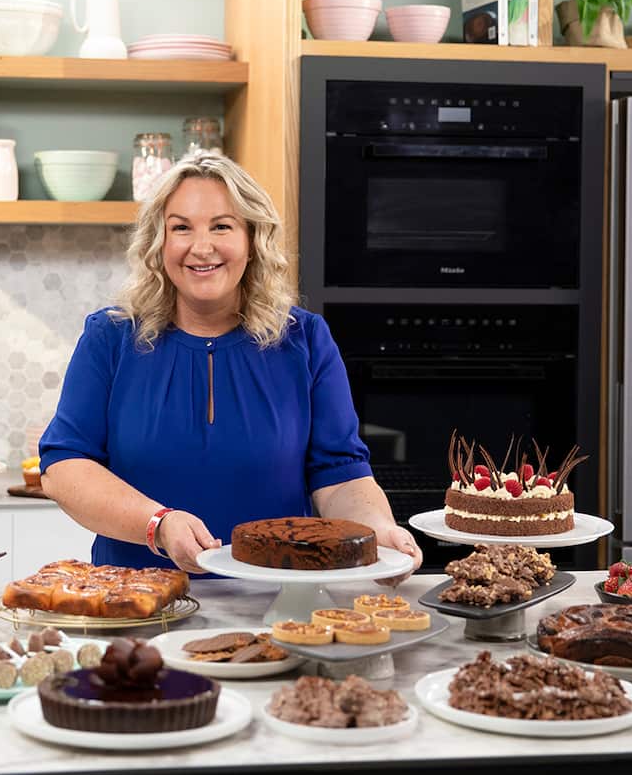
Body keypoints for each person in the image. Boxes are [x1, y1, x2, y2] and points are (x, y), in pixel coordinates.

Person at [39, 153, 422, 576]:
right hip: (137, 602)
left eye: (222, 226)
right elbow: (64, 468)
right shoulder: (110, 338)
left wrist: (377, 529)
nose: (201, 247)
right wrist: (158, 525)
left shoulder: (305, 340)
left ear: (252, 238)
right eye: (181, 227)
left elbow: (341, 476)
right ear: (159, 242)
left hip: (281, 605)